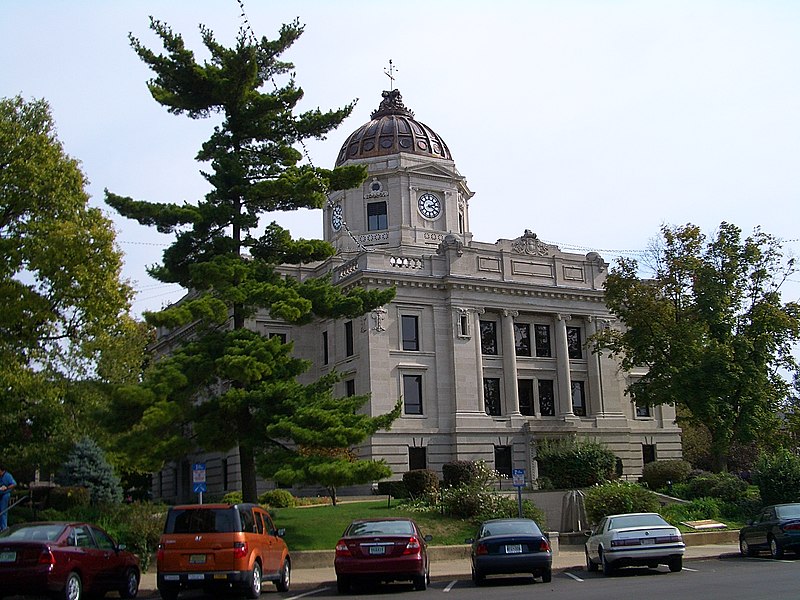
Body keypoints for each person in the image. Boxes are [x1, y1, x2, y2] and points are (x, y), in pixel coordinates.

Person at [0, 465, 16, 531]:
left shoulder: (7, 476)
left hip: (5, 494)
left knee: (3, 511)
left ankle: (4, 527)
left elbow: (14, 484)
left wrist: (6, 487)